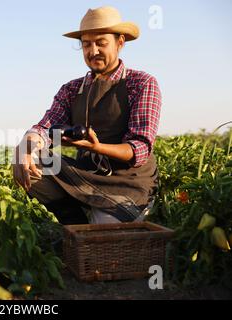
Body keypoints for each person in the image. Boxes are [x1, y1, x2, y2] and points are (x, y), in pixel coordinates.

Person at [13, 6, 161, 224]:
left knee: (105, 226)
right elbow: (45, 128)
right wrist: (27, 143)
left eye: (101, 43)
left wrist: (96, 147)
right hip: (86, 175)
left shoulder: (140, 83)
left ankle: (94, 222)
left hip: (129, 184)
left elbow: (139, 149)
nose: (93, 51)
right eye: (86, 44)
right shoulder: (71, 89)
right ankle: (75, 223)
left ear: (120, 42)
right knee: (27, 162)